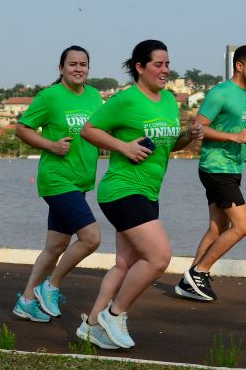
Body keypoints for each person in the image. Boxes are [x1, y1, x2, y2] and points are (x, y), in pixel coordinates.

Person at [75, 39, 203, 349]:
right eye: (158, 64)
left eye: (167, 64)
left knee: (125, 264)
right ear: (140, 67)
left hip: (148, 191)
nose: (165, 70)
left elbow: (170, 146)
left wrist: (189, 135)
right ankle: (115, 314)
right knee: (159, 257)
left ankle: (91, 325)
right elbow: (88, 130)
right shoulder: (126, 100)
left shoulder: (170, 101)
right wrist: (123, 146)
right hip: (121, 189)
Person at [174, 45, 246, 302]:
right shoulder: (220, 93)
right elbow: (197, 127)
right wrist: (233, 135)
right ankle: (200, 270)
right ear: (239, 66)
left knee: (218, 226)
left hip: (233, 168)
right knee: (242, 226)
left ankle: (188, 281)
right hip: (216, 167)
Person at [12, 45, 103, 322]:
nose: (78, 69)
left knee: (56, 246)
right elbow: (22, 128)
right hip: (57, 179)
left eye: (83, 64)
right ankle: (50, 287)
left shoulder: (94, 96)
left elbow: (102, 131)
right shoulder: (49, 97)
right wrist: (50, 144)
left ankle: (26, 300)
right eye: (72, 64)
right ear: (61, 68)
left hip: (80, 181)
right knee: (91, 238)